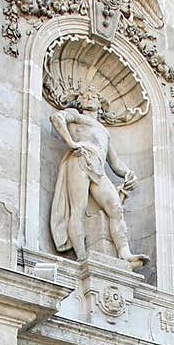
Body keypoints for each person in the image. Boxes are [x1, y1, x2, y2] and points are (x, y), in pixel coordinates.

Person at [49, 89, 147, 270]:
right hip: (80, 158)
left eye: (93, 96)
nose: (89, 97)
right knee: (78, 209)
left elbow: (115, 162)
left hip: (98, 167)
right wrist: (71, 142)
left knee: (116, 208)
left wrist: (128, 174)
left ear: (100, 103)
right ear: (78, 101)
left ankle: (125, 254)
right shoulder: (76, 116)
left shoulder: (104, 132)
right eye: (85, 96)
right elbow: (57, 118)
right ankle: (81, 257)